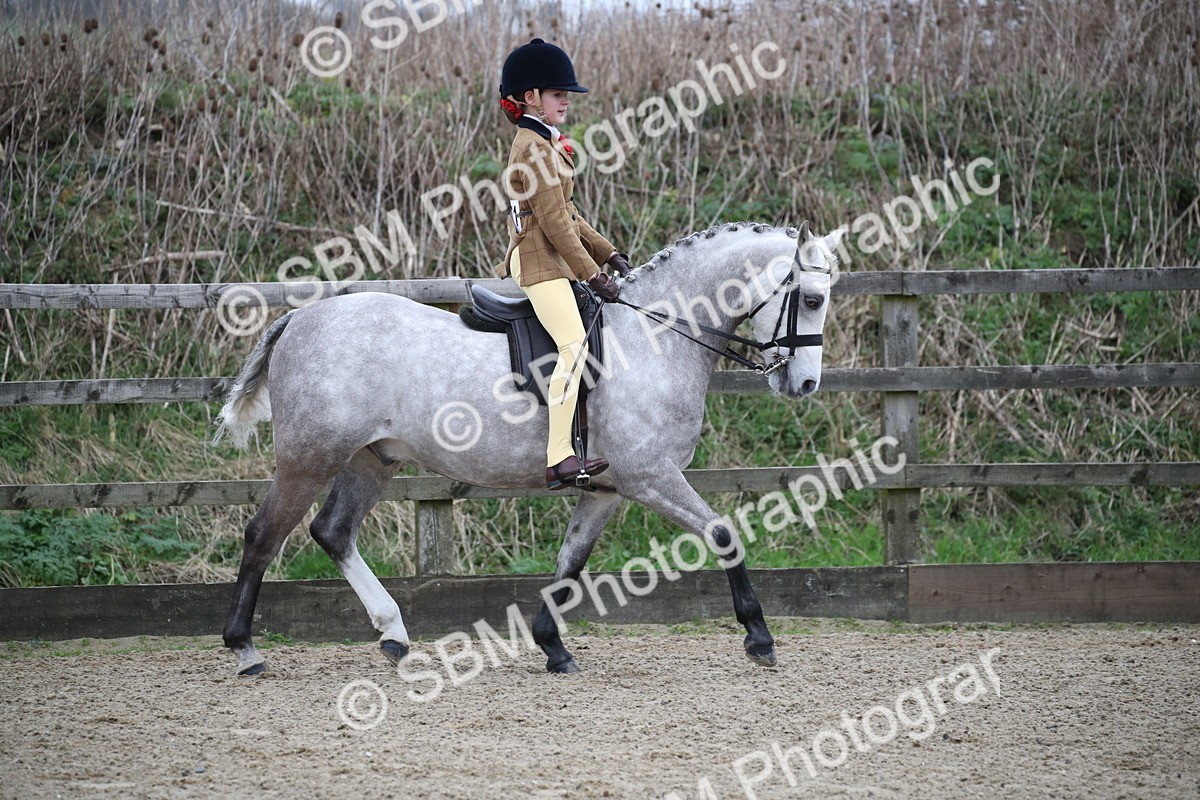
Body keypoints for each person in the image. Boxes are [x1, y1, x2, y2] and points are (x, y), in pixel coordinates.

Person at [495, 38, 631, 490]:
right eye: (558, 94)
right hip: (537, 261)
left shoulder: (545, 142)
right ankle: (559, 458)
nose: (566, 102)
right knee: (574, 345)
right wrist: (593, 275)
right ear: (530, 97)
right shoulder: (532, 147)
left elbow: (570, 215)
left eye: (567, 95)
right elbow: (554, 224)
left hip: (553, 256)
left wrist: (608, 253)